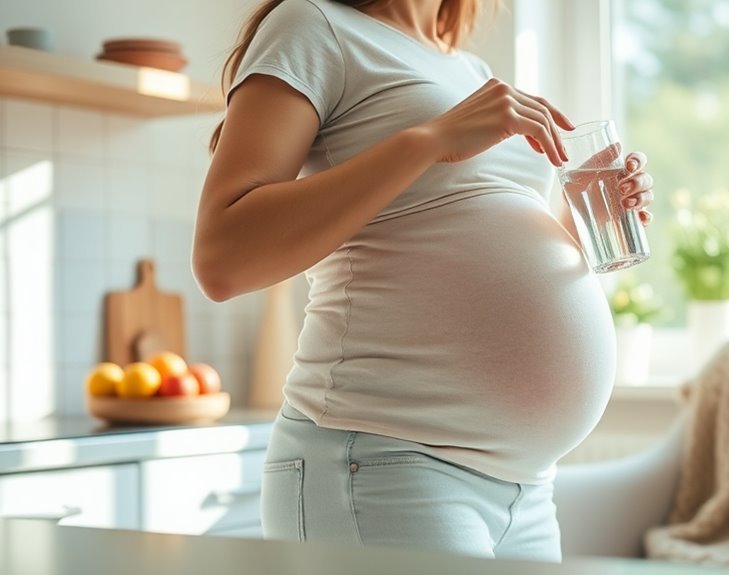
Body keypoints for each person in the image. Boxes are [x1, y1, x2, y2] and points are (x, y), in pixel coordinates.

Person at [192, 0, 655, 562]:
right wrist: (429, 139)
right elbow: (223, 258)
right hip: (384, 464)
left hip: (526, 489)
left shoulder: (470, 70)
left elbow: (454, 234)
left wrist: (578, 225)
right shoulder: (312, 25)